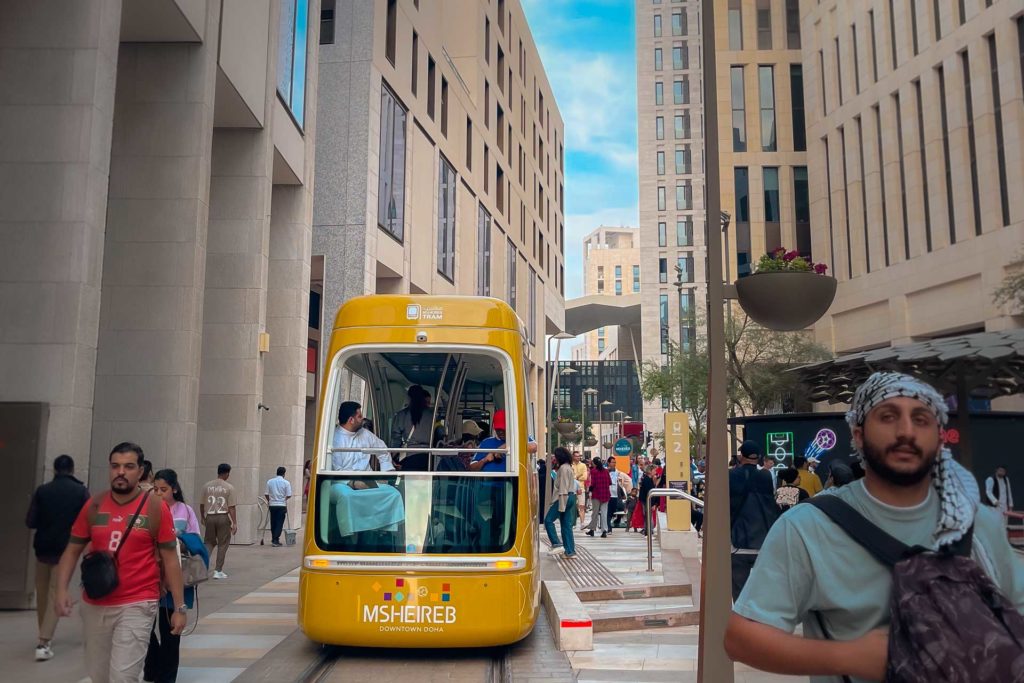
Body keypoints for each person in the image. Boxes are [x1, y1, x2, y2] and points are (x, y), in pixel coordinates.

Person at [725, 372, 1024, 682]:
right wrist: (850, 656)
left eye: (921, 419)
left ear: (939, 437)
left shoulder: (978, 522)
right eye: (888, 416)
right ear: (858, 435)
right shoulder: (809, 527)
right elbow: (741, 638)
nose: (906, 431)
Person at [54, 442, 185, 683]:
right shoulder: (94, 505)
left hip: (138, 603)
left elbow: (170, 559)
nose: (121, 472)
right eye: (115, 466)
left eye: (128, 466)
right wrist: (61, 590)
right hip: (95, 602)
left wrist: (179, 607)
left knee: (123, 676)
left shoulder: (155, 508)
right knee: (100, 676)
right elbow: (72, 550)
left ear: (141, 471)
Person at [24, 454, 90, 662]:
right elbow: (89, 520)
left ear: (54, 470)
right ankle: (44, 640)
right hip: (66, 548)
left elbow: (30, 521)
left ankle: (44, 635)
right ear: (71, 470)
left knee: (43, 592)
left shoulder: (43, 491)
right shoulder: (80, 492)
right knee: (55, 592)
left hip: (42, 548)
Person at [145, 469, 206, 683]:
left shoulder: (185, 511)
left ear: (174, 489)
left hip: (177, 578)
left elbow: (196, 541)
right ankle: (152, 668)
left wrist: (179, 541)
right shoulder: (148, 510)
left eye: (164, 489)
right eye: (156, 489)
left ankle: (167, 677)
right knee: (145, 629)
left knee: (171, 631)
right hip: (151, 577)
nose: (159, 493)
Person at [728, 440, 778, 600]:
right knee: (762, 593)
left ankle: (743, 621)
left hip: (737, 543)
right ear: (759, 458)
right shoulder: (765, 476)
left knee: (739, 593)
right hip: (762, 541)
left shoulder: (731, 475)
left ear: (741, 456)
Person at [331, 401, 395, 473]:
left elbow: (383, 450)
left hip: (368, 479)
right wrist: (354, 483)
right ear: (351, 420)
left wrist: (386, 473)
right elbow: (336, 471)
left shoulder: (365, 433)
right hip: (344, 482)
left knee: (386, 485)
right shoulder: (334, 439)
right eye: (359, 416)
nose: (362, 419)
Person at [200, 463, 236, 580]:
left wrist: (202, 516)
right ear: (226, 473)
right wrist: (234, 522)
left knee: (209, 543)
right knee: (223, 543)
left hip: (210, 516)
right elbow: (231, 507)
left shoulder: (207, 486)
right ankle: (218, 570)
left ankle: (202, 568)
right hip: (222, 517)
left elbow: (202, 503)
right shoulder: (229, 487)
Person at [390, 385, 435, 471]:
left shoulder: (401, 415)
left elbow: (396, 439)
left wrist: (391, 457)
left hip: (410, 456)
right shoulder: (432, 415)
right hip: (429, 457)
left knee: (409, 482)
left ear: (409, 398)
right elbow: (440, 434)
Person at [544, 447, 578, 558]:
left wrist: (561, 504)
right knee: (566, 525)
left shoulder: (563, 468)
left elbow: (563, 487)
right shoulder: (568, 467)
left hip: (563, 497)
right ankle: (570, 551)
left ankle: (556, 543)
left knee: (548, 520)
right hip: (571, 496)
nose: (555, 458)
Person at [265, 467, 292, 547]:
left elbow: (266, 494)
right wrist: (284, 499)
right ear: (284, 474)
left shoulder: (270, 481)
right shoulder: (286, 483)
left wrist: (269, 500)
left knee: (273, 522)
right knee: (279, 523)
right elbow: (289, 495)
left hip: (272, 505)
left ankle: (274, 538)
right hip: (281, 505)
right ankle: (275, 539)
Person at [586, 458, 612, 538]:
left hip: (596, 494)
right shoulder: (606, 471)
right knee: (604, 513)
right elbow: (610, 482)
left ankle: (592, 529)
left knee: (595, 513)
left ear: (594, 463)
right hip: (605, 494)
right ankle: (604, 531)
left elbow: (592, 483)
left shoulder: (593, 471)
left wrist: (589, 490)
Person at [571, 451, 588, 529]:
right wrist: (578, 476)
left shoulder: (583, 465)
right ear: (573, 456)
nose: (578, 457)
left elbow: (585, 477)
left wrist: (576, 477)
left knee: (582, 506)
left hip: (581, 488)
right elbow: (571, 477)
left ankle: (582, 523)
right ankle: (573, 523)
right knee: (572, 507)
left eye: (579, 456)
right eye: (576, 456)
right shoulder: (570, 465)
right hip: (572, 488)